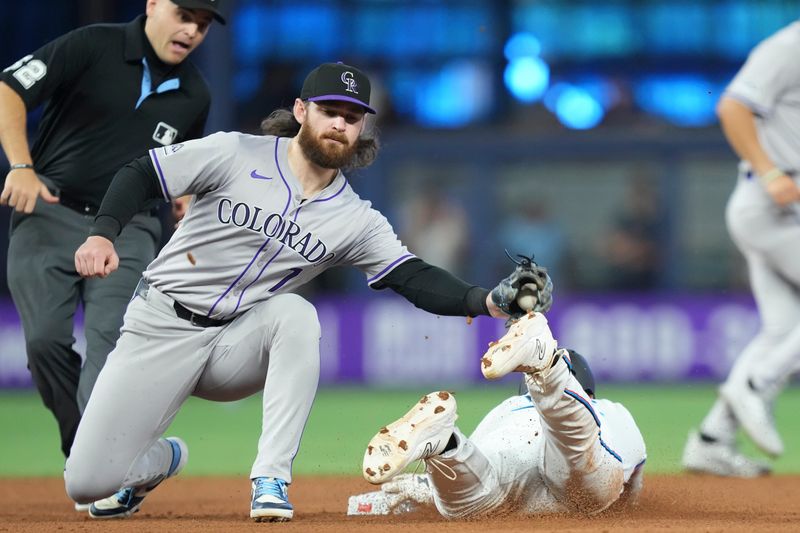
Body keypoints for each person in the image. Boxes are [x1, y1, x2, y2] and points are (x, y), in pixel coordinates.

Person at [63, 61, 553, 522]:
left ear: (362, 128)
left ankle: (270, 479)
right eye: (329, 111)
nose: (339, 124)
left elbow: (411, 275)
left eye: (351, 116)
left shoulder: (355, 218)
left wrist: (488, 300)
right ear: (301, 111)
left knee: (295, 314)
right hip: (160, 324)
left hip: (235, 344)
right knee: (84, 483)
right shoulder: (236, 152)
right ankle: (162, 458)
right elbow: (143, 172)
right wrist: (104, 232)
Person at [0, 0, 226, 468]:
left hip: (128, 230)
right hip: (50, 211)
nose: (192, 31)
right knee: (44, 342)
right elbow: (7, 89)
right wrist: (20, 165)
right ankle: (92, 456)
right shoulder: (92, 45)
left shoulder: (195, 94)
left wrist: (183, 198)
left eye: (202, 25)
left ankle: (100, 472)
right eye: (184, 16)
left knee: (109, 350)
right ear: (153, 5)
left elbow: (178, 166)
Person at [353, 312, 647, 518]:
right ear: (589, 392)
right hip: (567, 472)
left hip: (509, 457)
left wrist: (430, 488)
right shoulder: (608, 409)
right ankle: (548, 371)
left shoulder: (508, 408)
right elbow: (629, 489)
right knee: (582, 465)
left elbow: (479, 463)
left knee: (470, 506)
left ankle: (445, 447)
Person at [682, 20, 800, 478]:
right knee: (779, 341)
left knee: (781, 329)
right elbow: (733, 106)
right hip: (769, 200)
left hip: (781, 206)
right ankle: (756, 383)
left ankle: (711, 441)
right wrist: (770, 172)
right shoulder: (789, 45)